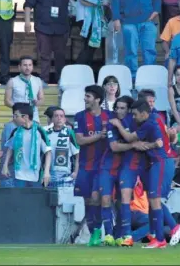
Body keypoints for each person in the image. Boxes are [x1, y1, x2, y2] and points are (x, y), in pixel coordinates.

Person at [110, 99, 180, 249]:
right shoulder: (156, 117)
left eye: (135, 114)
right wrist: (156, 143)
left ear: (143, 112)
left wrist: (118, 125)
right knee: (152, 199)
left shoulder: (149, 122)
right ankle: (157, 236)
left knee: (154, 199)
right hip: (154, 162)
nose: (134, 117)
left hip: (159, 162)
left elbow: (131, 139)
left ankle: (165, 234)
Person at [73, 85, 110, 246]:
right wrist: (98, 136)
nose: (85, 99)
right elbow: (80, 140)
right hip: (85, 166)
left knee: (97, 199)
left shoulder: (109, 116)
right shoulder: (80, 116)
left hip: (102, 166)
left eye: (88, 96)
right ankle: (93, 234)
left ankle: (97, 232)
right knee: (88, 201)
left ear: (97, 100)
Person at [24, 0, 75, 84]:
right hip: (43, 27)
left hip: (61, 27)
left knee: (60, 56)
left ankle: (61, 81)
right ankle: (43, 81)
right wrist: (27, 22)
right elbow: (28, 5)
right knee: (44, 55)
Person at [112, 0, 161, 81]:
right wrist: (116, 19)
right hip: (128, 22)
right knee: (131, 52)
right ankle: (133, 79)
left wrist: (155, 12)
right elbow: (115, 0)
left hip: (148, 21)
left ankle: (150, 78)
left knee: (149, 50)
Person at [99, 96, 135, 246]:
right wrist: (133, 145)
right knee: (105, 199)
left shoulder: (133, 123)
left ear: (129, 110)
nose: (119, 111)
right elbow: (114, 146)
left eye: (123, 108)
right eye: (117, 108)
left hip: (125, 167)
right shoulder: (110, 123)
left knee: (123, 202)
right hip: (108, 166)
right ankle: (108, 234)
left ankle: (122, 235)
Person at [2, 103, 52, 187]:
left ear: (25, 117)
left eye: (16, 116)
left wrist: (46, 172)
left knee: (34, 199)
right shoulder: (16, 131)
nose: (14, 119)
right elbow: (10, 148)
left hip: (35, 175)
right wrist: (5, 165)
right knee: (20, 199)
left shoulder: (39, 131)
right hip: (19, 175)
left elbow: (48, 152)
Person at [75, 0, 108, 73]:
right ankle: (77, 71)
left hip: (95, 19)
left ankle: (84, 72)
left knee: (91, 47)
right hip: (87, 18)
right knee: (89, 47)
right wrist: (100, 3)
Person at [46, 108, 79, 188]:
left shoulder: (69, 133)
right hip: (49, 174)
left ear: (65, 119)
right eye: (56, 116)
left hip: (65, 175)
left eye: (61, 116)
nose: (59, 118)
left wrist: (76, 172)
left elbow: (77, 155)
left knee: (64, 200)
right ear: (52, 119)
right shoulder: (46, 133)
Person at [4, 56, 44, 123]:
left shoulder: (38, 80)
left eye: (30, 65)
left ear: (32, 67)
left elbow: (42, 99)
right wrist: (18, 108)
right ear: (19, 67)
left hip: (34, 117)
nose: (27, 68)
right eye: (25, 65)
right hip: (19, 117)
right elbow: (6, 101)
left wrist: (38, 102)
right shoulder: (12, 81)